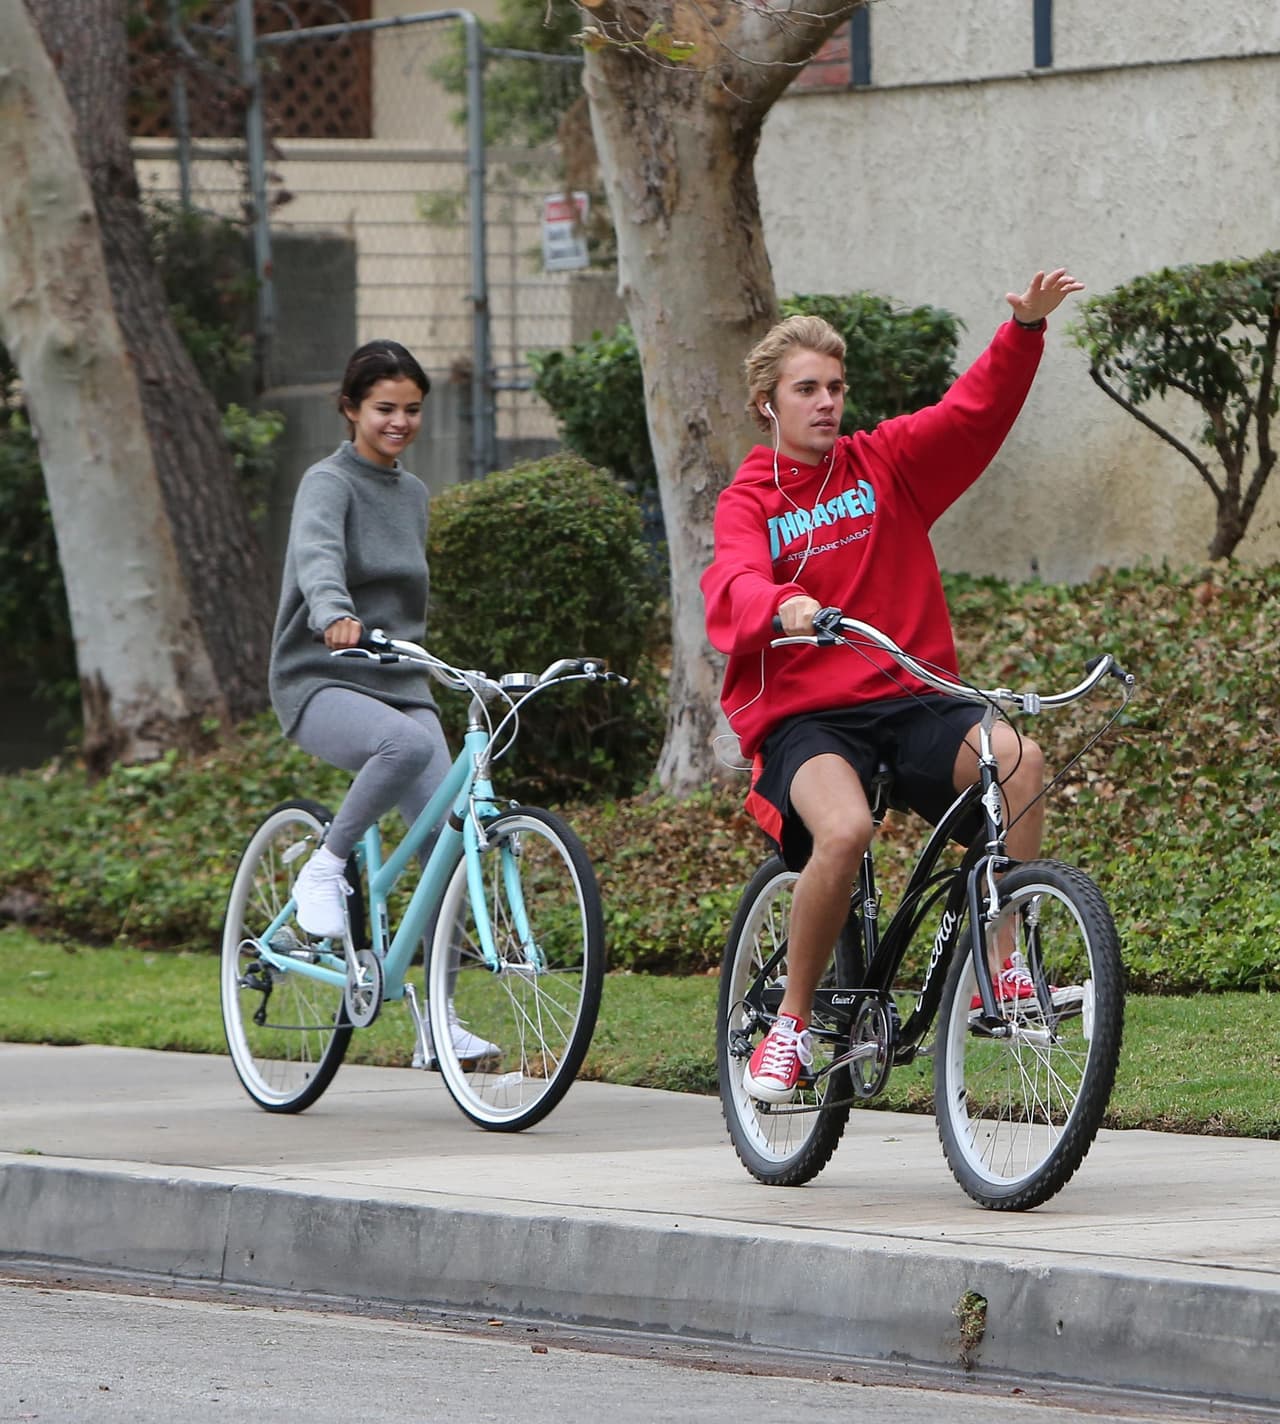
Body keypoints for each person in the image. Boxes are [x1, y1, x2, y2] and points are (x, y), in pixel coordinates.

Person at [700, 269, 1085, 1104]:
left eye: (836, 386)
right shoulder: (748, 500)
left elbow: (970, 416)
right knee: (843, 832)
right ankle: (792, 1026)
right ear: (769, 402)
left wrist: (1022, 332)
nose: (827, 401)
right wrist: (784, 604)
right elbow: (729, 585)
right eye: (807, 388)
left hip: (910, 697)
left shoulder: (884, 464)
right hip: (811, 720)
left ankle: (1005, 969)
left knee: (1018, 761)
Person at [268, 338, 494, 1061]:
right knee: (404, 745)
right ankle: (325, 866)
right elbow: (317, 557)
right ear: (350, 409)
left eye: (412, 410)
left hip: (397, 677)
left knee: (445, 849)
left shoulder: (414, 494)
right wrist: (333, 613)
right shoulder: (327, 482)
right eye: (384, 409)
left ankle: (438, 1023)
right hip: (321, 674)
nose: (399, 422)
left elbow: (405, 598)